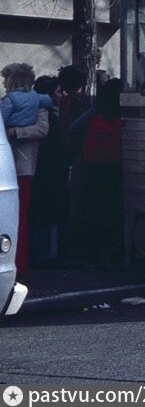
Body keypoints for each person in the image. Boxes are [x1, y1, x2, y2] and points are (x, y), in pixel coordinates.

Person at [1, 62, 51, 278]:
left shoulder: (20, 102)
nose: (4, 84)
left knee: (18, 216)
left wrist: (15, 132)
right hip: (15, 164)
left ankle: (19, 263)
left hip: (22, 164)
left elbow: (42, 129)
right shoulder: (37, 100)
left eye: (6, 80)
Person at [69, 78, 124, 266]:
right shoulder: (123, 114)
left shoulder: (94, 113)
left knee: (93, 211)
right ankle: (114, 255)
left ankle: (92, 255)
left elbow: (73, 129)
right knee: (114, 212)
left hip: (92, 168)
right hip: (115, 168)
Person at [28, 75, 69, 266]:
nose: (62, 96)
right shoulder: (48, 117)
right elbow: (55, 149)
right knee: (47, 214)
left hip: (38, 169)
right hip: (49, 172)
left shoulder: (32, 114)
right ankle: (44, 255)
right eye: (58, 92)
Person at [1, 64, 55, 129]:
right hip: (30, 131)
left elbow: (2, 119)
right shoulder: (35, 95)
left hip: (10, 130)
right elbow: (48, 100)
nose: (3, 83)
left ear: (12, 82)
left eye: (5, 79)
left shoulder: (10, 99)